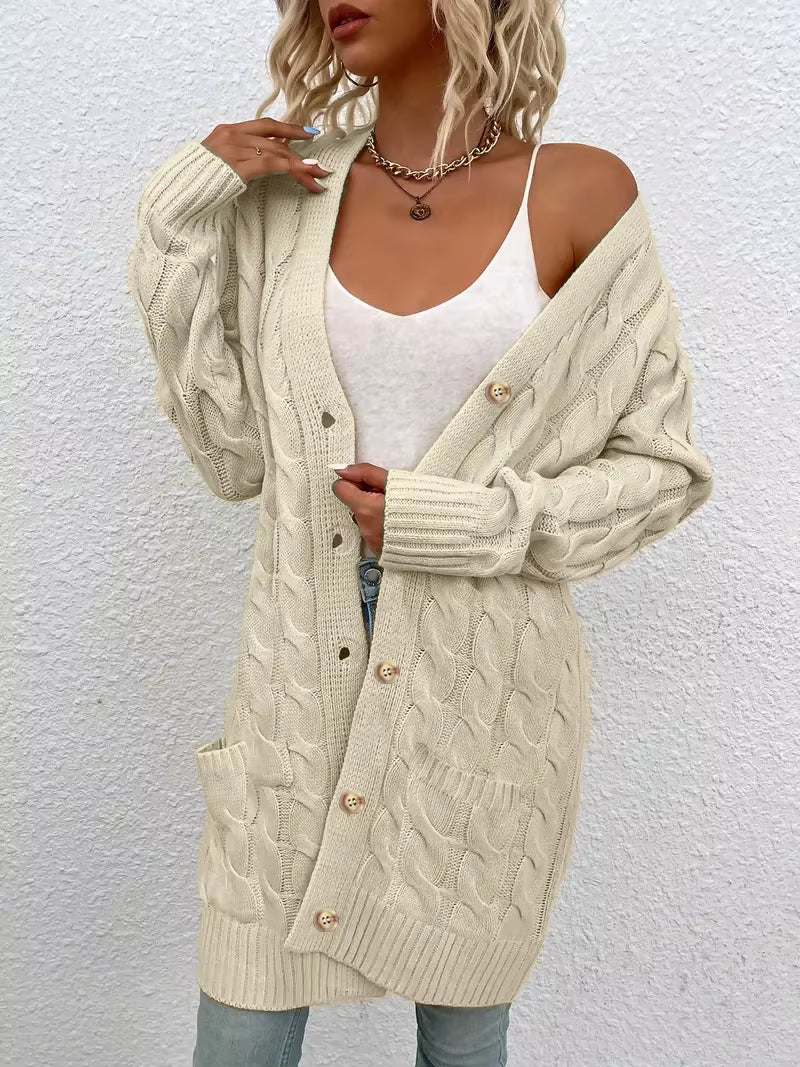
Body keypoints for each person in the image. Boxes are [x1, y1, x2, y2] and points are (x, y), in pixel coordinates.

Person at [125, 1, 714, 1064]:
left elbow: (661, 470)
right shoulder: (285, 196)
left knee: (462, 1040)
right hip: (292, 691)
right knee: (241, 1032)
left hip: (486, 701)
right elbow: (232, 456)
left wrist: (458, 521)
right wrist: (177, 217)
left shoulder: (581, 191)